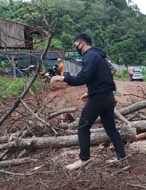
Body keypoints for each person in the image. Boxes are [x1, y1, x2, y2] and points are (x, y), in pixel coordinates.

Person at [50, 33, 127, 170]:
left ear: (82, 44)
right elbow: (104, 77)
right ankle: (122, 157)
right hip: (107, 97)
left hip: (99, 99)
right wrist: (89, 92)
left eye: (76, 45)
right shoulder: (99, 57)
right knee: (110, 128)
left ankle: (84, 159)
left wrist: (63, 78)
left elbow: (82, 78)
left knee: (83, 127)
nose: (77, 48)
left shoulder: (89, 56)